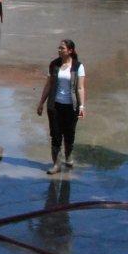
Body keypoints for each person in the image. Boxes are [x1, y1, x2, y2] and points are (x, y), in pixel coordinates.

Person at [35, 39, 86, 174]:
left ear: (70, 51)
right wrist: (41, 103)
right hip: (55, 106)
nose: (59, 50)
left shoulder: (78, 67)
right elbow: (49, 85)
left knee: (69, 134)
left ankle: (68, 156)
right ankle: (56, 165)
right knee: (55, 135)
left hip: (72, 107)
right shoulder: (54, 65)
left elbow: (80, 88)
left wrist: (81, 107)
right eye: (59, 48)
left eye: (62, 48)